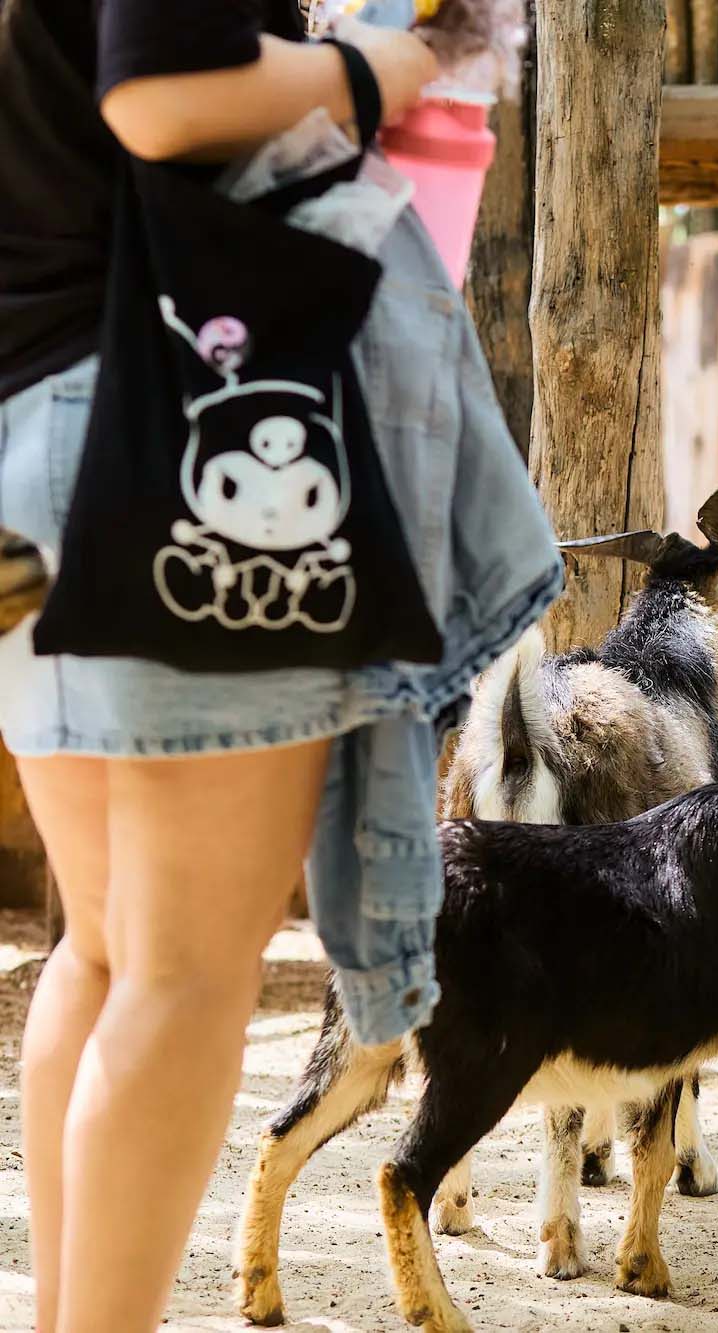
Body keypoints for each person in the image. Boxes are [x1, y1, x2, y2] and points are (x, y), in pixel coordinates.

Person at [0, 3, 562, 1328]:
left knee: (106, 952)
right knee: (182, 971)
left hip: (40, 425)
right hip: (174, 422)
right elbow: (161, 95)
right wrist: (394, 64)